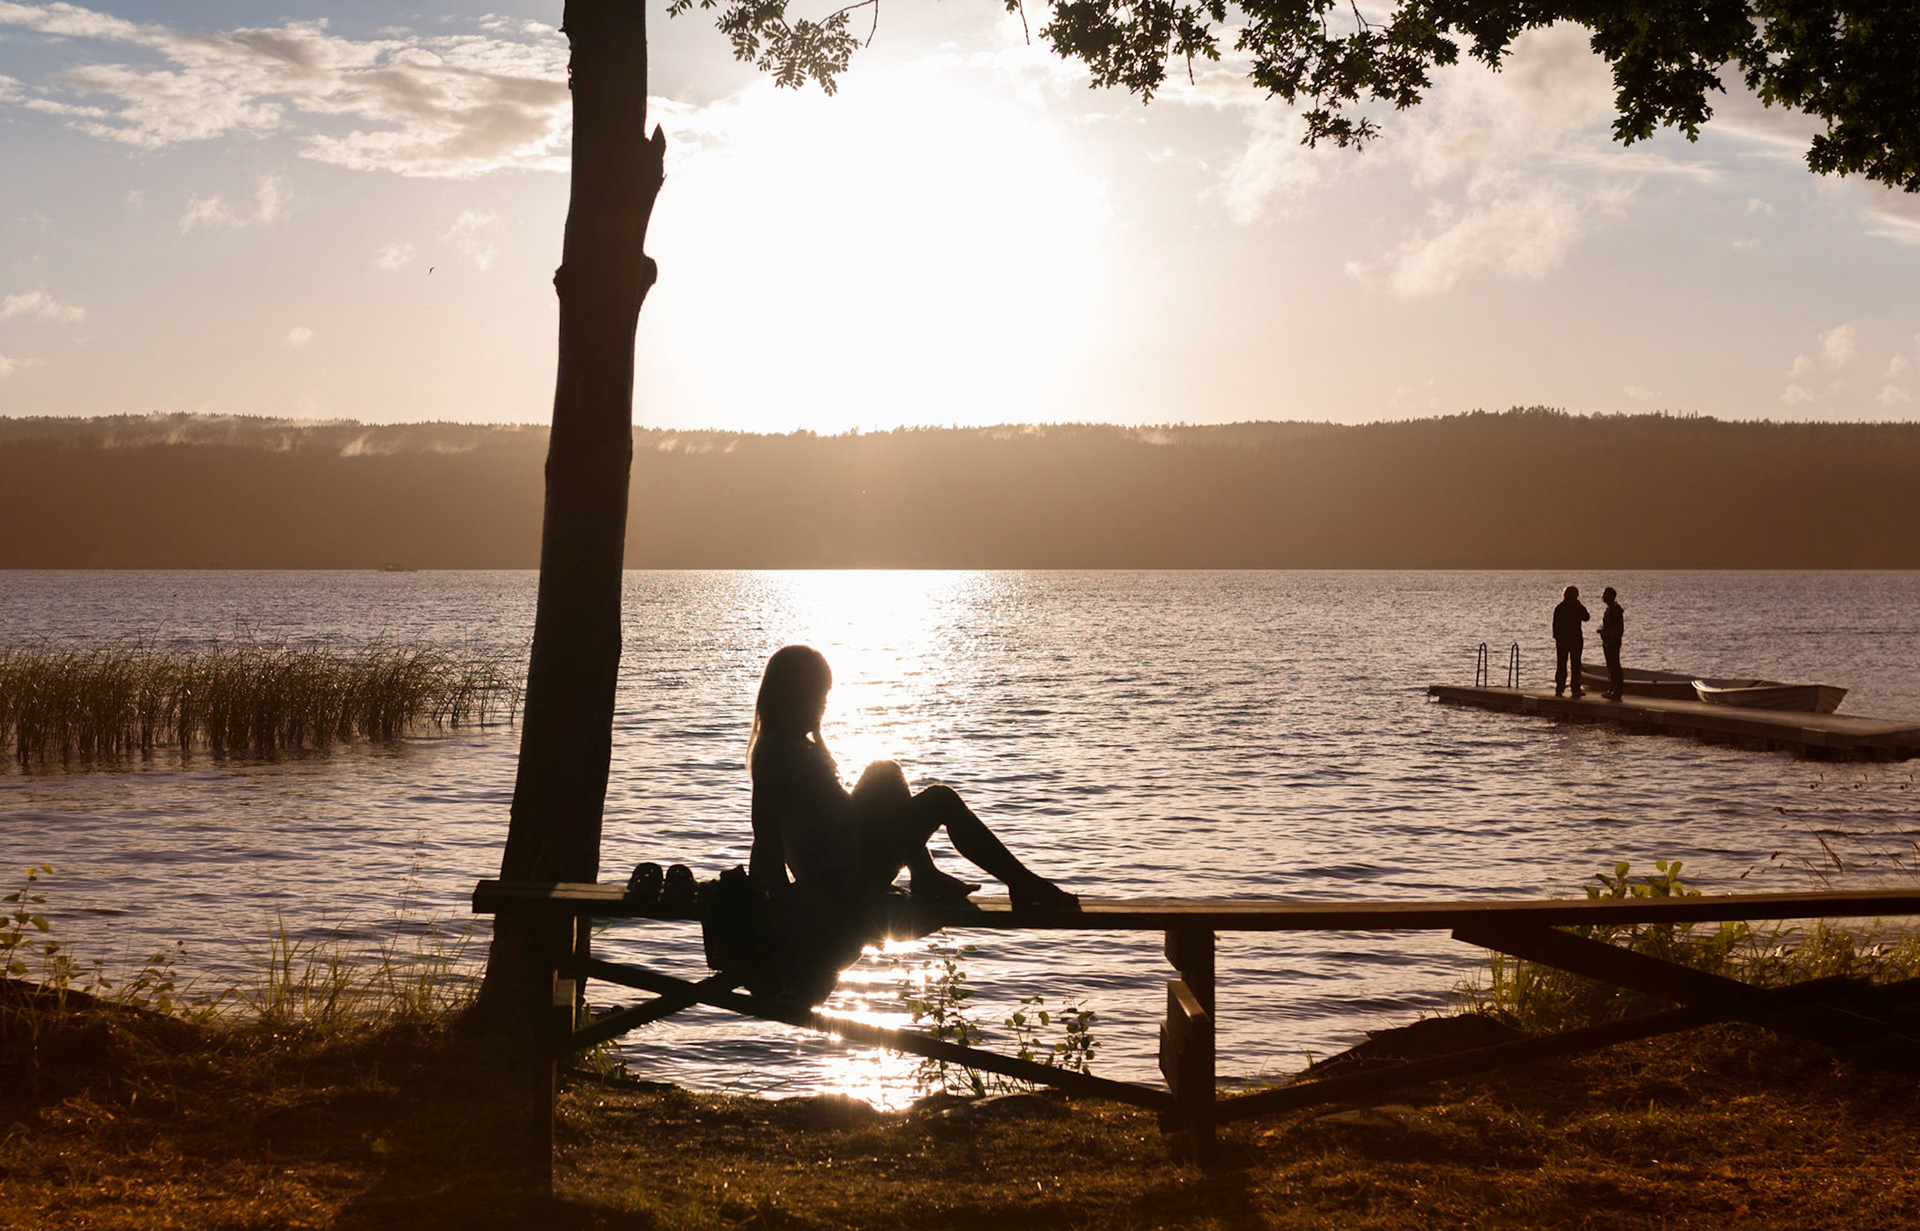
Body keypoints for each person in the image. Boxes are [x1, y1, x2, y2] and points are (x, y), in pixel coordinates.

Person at [748, 645, 1079, 914]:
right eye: (817, 696)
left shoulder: (789, 747)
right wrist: (776, 898)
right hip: (848, 877)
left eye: (825, 696)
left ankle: (926, 874)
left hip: (852, 853)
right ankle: (1021, 883)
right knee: (940, 799)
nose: (823, 706)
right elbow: (765, 831)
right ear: (792, 696)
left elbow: (774, 826)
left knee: (884, 769)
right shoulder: (778, 755)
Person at [1551, 585, 1590, 697]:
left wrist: (1557, 637)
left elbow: (1555, 625)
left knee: (1562, 665)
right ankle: (1575, 689)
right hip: (1575, 639)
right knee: (1575, 665)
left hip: (1563, 640)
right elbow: (1586, 617)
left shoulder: (1560, 607)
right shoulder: (1577, 607)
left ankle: (1560, 688)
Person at [1599, 586, 1626, 701]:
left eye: (1605, 595)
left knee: (1614, 665)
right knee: (1610, 665)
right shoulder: (1610, 609)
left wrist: (1610, 637)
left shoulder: (1615, 610)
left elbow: (1614, 627)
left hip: (1612, 641)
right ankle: (1612, 688)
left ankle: (1617, 691)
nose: (1603, 597)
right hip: (1608, 640)